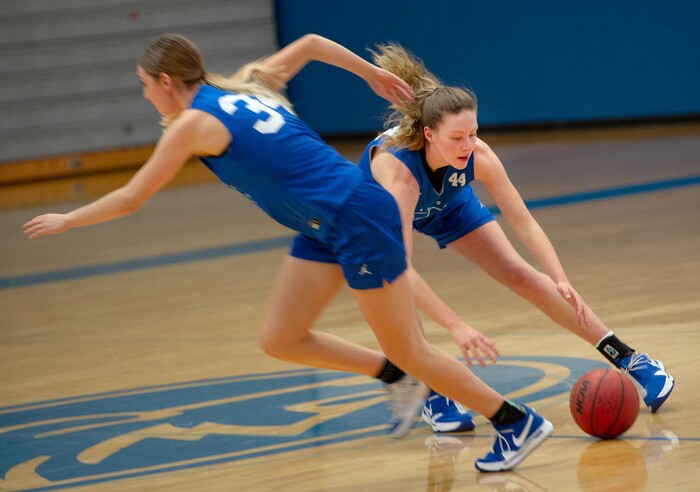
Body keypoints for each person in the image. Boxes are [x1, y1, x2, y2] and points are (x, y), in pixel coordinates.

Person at [23, 33, 552, 472]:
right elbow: (312, 45)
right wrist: (365, 73)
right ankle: (398, 377)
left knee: (412, 346)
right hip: (323, 223)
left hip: (354, 216)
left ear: (165, 82)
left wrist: (70, 217)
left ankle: (513, 420)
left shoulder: (192, 124)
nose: (144, 96)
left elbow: (132, 196)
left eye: (144, 86)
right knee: (282, 337)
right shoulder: (248, 85)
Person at [352, 43, 674, 424]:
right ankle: (431, 389)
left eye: (473, 133)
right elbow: (400, 266)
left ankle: (632, 360)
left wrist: (559, 277)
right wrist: (455, 324)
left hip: (447, 205)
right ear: (429, 135)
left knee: (521, 273)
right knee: (396, 299)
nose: (468, 145)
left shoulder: (478, 156)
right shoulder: (400, 176)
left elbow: (525, 222)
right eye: (457, 138)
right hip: (366, 220)